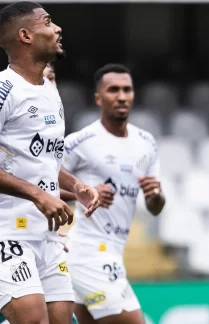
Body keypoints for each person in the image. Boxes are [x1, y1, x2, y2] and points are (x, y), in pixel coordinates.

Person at [0, 2, 100, 324]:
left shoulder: (49, 91)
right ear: (26, 35)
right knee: (33, 320)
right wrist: (39, 195)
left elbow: (43, 160)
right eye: (48, 22)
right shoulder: (5, 89)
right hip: (7, 232)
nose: (57, 28)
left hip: (48, 235)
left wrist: (76, 186)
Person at [62, 64, 163, 324]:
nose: (121, 96)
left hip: (114, 250)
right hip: (89, 250)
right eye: (113, 90)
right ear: (98, 98)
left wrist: (156, 196)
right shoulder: (81, 142)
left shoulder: (146, 143)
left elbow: (154, 207)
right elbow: (42, 184)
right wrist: (83, 193)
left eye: (127, 90)